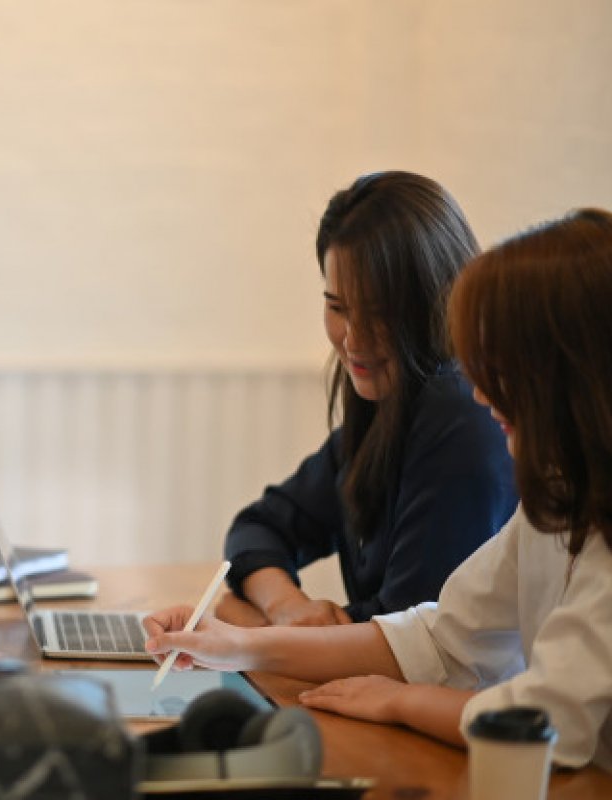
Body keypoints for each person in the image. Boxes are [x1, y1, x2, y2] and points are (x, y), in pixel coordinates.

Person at [146, 208, 612, 770]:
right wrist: (233, 645)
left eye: (502, 368)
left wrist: (402, 700)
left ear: (571, 377)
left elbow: (549, 722)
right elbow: (439, 634)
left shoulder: (460, 425)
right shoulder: (557, 499)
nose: (484, 395)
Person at [218, 171, 517, 627]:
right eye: (337, 308)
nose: (352, 340)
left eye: (379, 315)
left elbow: (407, 636)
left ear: (438, 302)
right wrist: (286, 607)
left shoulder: (459, 415)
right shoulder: (390, 404)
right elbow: (258, 527)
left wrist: (265, 632)